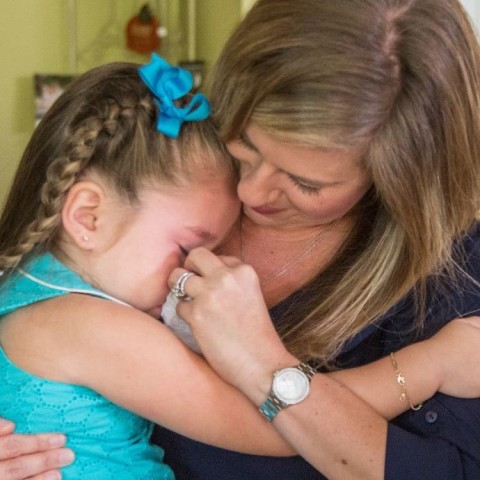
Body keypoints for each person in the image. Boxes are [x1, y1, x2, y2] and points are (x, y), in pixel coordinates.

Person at [1, 0, 480, 478]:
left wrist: (263, 364)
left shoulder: (455, 278)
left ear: (397, 180)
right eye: (244, 148)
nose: (249, 192)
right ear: (86, 217)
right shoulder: (156, 188)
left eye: (306, 183)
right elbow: (268, 427)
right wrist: (423, 368)